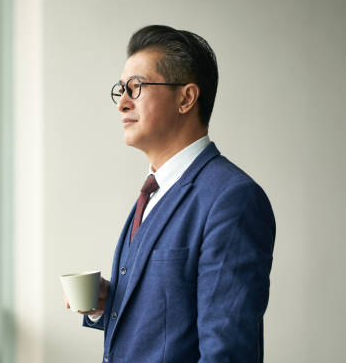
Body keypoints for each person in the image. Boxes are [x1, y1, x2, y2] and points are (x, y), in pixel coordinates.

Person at [63, 25, 276, 362]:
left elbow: (228, 352)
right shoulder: (154, 191)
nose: (122, 103)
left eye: (137, 87)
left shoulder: (232, 199)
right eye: (121, 89)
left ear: (186, 98)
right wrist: (110, 304)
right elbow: (168, 322)